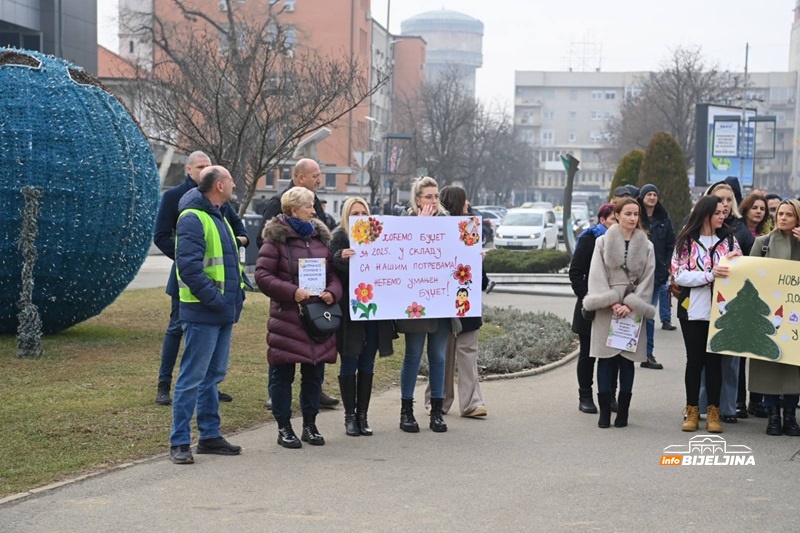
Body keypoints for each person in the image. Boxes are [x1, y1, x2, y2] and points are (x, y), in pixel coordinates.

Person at [152, 151, 246, 406]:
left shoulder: (219, 201)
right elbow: (161, 236)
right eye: (201, 166)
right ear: (189, 170)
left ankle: (210, 387)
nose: (206, 168)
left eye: (209, 165)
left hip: (216, 279)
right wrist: (189, 255)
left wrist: (237, 241)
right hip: (188, 276)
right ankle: (164, 383)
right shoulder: (173, 197)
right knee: (175, 328)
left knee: (213, 341)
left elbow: (239, 228)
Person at [255, 187, 343, 449]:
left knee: (314, 376)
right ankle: (284, 427)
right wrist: (293, 292)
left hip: (318, 320)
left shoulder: (319, 239)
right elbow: (262, 276)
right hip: (288, 320)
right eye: (309, 206)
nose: (314, 210)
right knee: (282, 377)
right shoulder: (276, 240)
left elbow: (333, 276)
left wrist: (332, 292)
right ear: (294, 210)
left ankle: (310, 425)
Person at [169, 166, 245, 464]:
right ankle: (179, 442)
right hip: (203, 311)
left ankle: (210, 435)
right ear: (218, 185)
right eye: (230, 180)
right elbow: (188, 268)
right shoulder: (193, 218)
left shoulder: (219, 214)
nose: (234, 183)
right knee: (192, 377)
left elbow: (228, 264)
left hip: (221, 311)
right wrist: (216, 299)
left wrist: (233, 299)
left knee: (213, 376)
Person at [582, 198, 656, 429]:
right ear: (617, 214)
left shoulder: (647, 245)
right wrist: (612, 302)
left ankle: (623, 411)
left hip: (632, 311)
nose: (633, 218)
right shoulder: (602, 242)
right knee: (605, 360)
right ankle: (604, 412)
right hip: (607, 310)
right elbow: (596, 273)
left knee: (627, 362)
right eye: (628, 213)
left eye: (636, 214)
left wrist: (632, 304)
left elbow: (649, 277)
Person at [672, 195, 741, 434]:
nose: (723, 216)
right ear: (705, 214)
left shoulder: (729, 240)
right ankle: (692, 410)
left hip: (722, 310)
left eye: (724, 212)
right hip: (692, 309)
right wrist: (709, 275)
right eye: (719, 213)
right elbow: (679, 274)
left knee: (715, 363)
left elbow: (741, 271)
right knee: (695, 361)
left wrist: (735, 264)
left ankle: (714, 411)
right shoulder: (686, 240)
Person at [330, 197, 396, 436]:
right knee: (350, 360)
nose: (359, 216)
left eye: (363, 212)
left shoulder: (378, 236)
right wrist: (340, 258)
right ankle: (349, 417)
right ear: (346, 216)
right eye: (354, 212)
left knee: (368, 363)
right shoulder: (339, 237)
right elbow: (331, 270)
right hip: (350, 311)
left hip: (374, 312)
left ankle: (362, 415)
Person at [423, 186, 489, 418]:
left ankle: (454, 402)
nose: (468, 204)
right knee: (452, 355)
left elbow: (480, 281)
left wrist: (477, 260)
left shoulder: (465, 232)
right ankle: (452, 401)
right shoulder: (455, 231)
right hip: (452, 306)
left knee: (455, 354)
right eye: (465, 200)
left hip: (456, 305)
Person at [397, 176, 451, 433]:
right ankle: (406, 410)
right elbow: (400, 257)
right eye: (428, 196)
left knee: (438, 356)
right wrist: (420, 227)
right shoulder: (406, 222)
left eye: (436, 196)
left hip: (441, 298)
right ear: (417, 199)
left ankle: (437, 411)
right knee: (413, 354)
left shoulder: (448, 223)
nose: (433, 201)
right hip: (416, 300)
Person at [749, 199, 800, 436]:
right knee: (768, 365)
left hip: (795, 317)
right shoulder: (764, 242)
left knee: (793, 365)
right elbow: (749, 274)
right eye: (780, 213)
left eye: (789, 214)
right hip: (769, 314)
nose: (783, 218)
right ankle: (772, 416)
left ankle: (790, 415)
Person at [569, 203, 616, 414]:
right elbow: (576, 271)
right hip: (590, 305)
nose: (617, 223)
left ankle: (609, 395)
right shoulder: (590, 239)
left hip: (615, 307)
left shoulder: (625, 240)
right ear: (603, 219)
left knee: (612, 354)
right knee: (588, 353)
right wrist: (587, 297)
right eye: (613, 219)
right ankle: (585, 396)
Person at [638, 184, 677, 374]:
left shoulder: (664, 219)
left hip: (656, 275)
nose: (652, 197)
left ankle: (648, 354)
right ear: (642, 197)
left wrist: (666, 266)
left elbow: (671, 244)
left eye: (655, 194)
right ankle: (626, 351)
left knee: (649, 315)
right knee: (632, 314)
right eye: (649, 194)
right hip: (636, 276)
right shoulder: (635, 216)